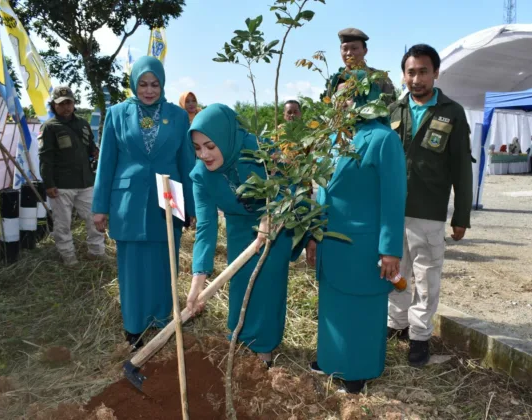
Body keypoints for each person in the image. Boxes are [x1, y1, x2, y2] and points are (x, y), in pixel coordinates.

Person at [305, 70, 407, 393]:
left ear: (366, 97)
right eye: (337, 94)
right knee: (333, 307)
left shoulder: (382, 139)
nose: (342, 100)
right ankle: (330, 359)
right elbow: (321, 192)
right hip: (330, 243)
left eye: (349, 93)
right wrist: (312, 236)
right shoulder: (331, 139)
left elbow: (394, 197)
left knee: (361, 310)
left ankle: (357, 372)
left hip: (363, 247)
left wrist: (390, 249)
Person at [92, 56, 196, 350]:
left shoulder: (177, 116)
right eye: (143, 84)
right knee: (133, 265)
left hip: (169, 194)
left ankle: (163, 321)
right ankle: (134, 327)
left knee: (166, 261)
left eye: (155, 84)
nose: (149, 90)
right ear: (134, 83)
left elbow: (185, 162)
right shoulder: (117, 114)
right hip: (128, 199)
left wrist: (191, 208)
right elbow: (107, 162)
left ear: (162, 84)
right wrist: (100, 207)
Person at [186, 104, 297, 367]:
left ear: (225, 137)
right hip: (238, 226)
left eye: (210, 146)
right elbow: (205, 228)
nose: (204, 154)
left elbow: (290, 182)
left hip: (277, 221)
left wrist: (271, 213)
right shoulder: (201, 176)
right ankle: (241, 340)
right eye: (197, 148)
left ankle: (264, 350)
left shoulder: (259, 150)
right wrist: (196, 284)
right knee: (240, 285)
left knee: (267, 284)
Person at [387, 44, 473, 367]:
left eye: (423, 71)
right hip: (393, 212)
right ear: (404, 75)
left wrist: (461, 215)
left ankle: (420, 337)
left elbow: (462, 169)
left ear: (436, 73)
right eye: (411, 72)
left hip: (429, 213)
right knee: (395, 273)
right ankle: (396, 324)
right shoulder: (394, 111)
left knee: (425, 278)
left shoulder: (452, 112)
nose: (417, 78)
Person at [38, 85, 106, 266]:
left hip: (85, 181)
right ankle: (68, 257)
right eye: (61, 104)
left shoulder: (83, 124)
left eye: (69, 102)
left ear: (74, 103)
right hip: (61, 184)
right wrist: (49, 184)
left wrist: (96, 152)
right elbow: (45, 158)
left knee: (95, 218)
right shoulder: (49, 127)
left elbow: (90, 145)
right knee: (63, 224)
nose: (65, 107)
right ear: (54, 105)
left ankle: (97, 252)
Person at [323, 28, 395, 105]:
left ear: (365, 51)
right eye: (345, 49)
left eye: (354, 48)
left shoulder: (380, 78)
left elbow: (391, 109)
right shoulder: (336, 80)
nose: (349, 53)